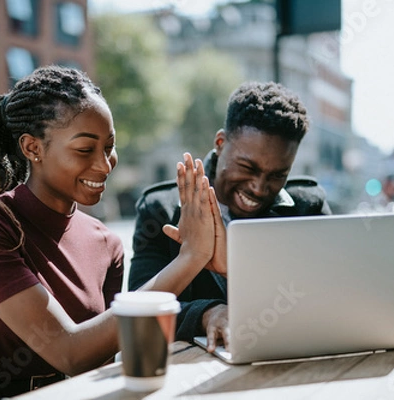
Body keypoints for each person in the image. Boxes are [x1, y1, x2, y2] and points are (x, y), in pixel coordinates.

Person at [0, 65, 220, 399]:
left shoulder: (106, 243)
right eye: (85, 149)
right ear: (33, 148)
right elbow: (70, 352)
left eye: (109, 146)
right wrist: (190, 258)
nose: (105, 165)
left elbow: (98, 361)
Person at [129, 81, 331, 353]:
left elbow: (328, 296)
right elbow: (139, 305)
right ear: (221, 143)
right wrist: (206, 313)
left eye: (277, 176)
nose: (259, 188)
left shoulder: (308, 207)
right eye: (247, 167)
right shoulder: (160, 210)